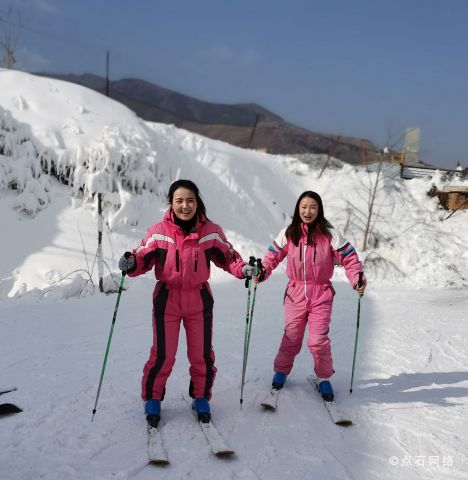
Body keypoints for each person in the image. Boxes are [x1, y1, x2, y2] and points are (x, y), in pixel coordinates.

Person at [119, 179, 254, 426]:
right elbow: (142, 257)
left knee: (201, 354)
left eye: (190, 200)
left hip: (198, 300)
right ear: (171, 203)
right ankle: (153, 398)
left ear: (197, 202)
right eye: (179, 201)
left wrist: (243, 268)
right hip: (167, 299)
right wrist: (131, 263)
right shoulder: (158, 232)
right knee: (163, 354)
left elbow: (228, 257)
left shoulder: (210, 232)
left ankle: (201, 396)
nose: (185, 206)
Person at [254, 191, 366, 401]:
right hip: (295, 294)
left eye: (312, 207)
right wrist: (262, 272)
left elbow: (350, 259)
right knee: (292, 337)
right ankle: (281, 371)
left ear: (319, 210)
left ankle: (323, 377)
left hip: (321, 293)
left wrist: (357, 278)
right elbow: (271, 257)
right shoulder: (289, 233)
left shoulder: (330, 235)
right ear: (298, 208)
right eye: (304, 207)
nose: (308, 211)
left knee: (318, 340)